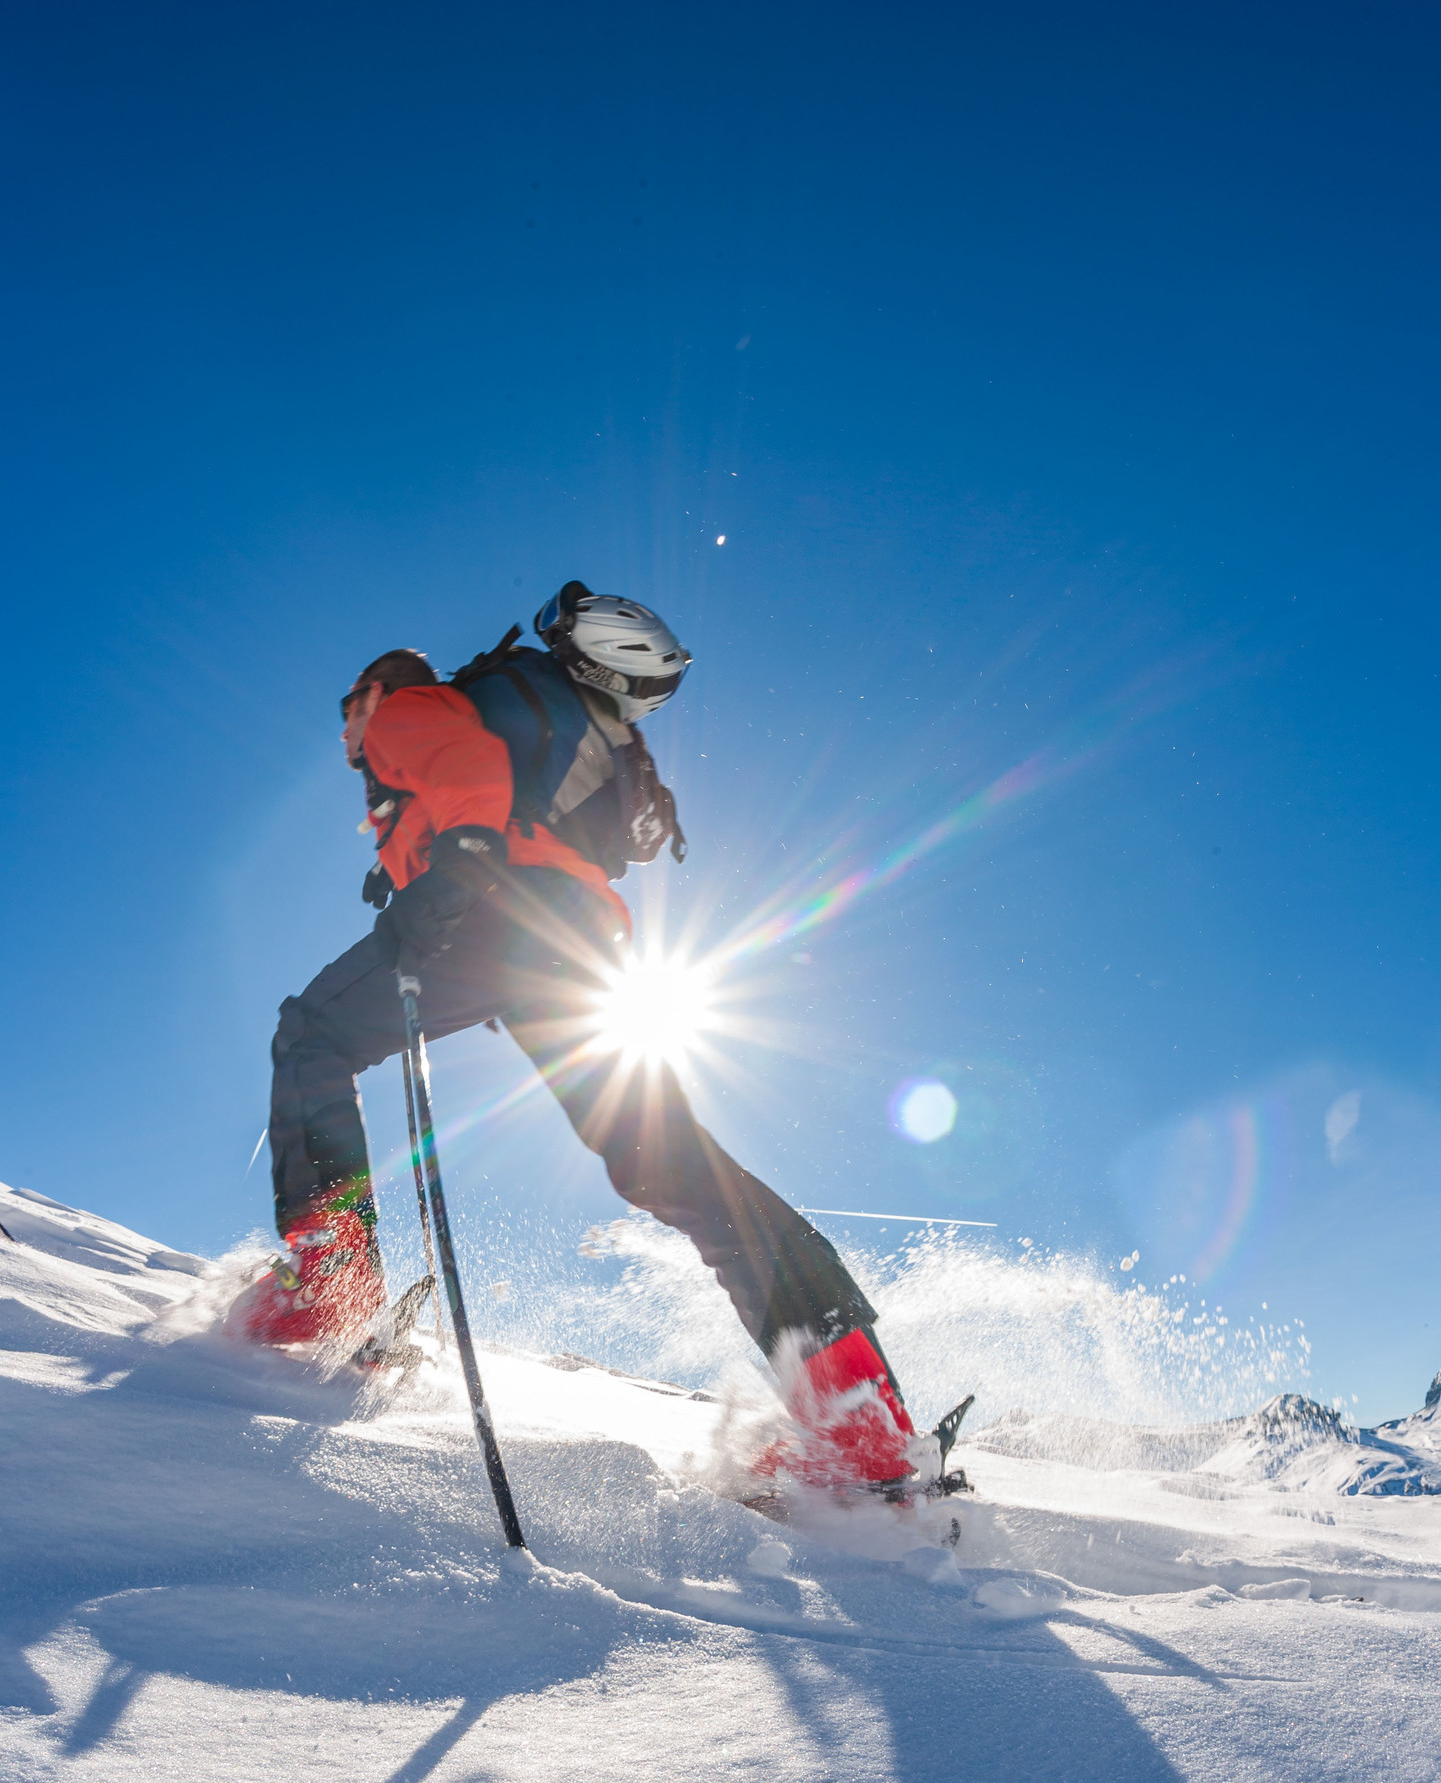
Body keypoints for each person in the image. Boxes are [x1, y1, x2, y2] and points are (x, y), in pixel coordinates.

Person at [241, 580, 934, 1492]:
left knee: (312, 1037)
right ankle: (857, 1415)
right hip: (576, 944)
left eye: (348, 711)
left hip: (487, 914)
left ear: (368, 692)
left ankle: (332, 1283)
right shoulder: (567, 721)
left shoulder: (405, 706)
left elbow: (463, 771)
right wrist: (428, 860)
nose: (346, 732)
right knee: (672, 1164)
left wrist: (456, 865)